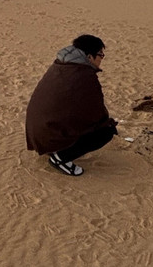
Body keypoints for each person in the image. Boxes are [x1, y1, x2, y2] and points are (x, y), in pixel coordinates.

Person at [25, 35, 117, 177]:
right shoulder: (84, 75)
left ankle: (56, 149)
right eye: (100, 55)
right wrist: (108, 123)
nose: (101, 59)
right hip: (48, 134)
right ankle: (61, 158)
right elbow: (96, 111)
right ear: (89, 56)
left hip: (37, 133)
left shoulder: (60, 64)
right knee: (106, 131)